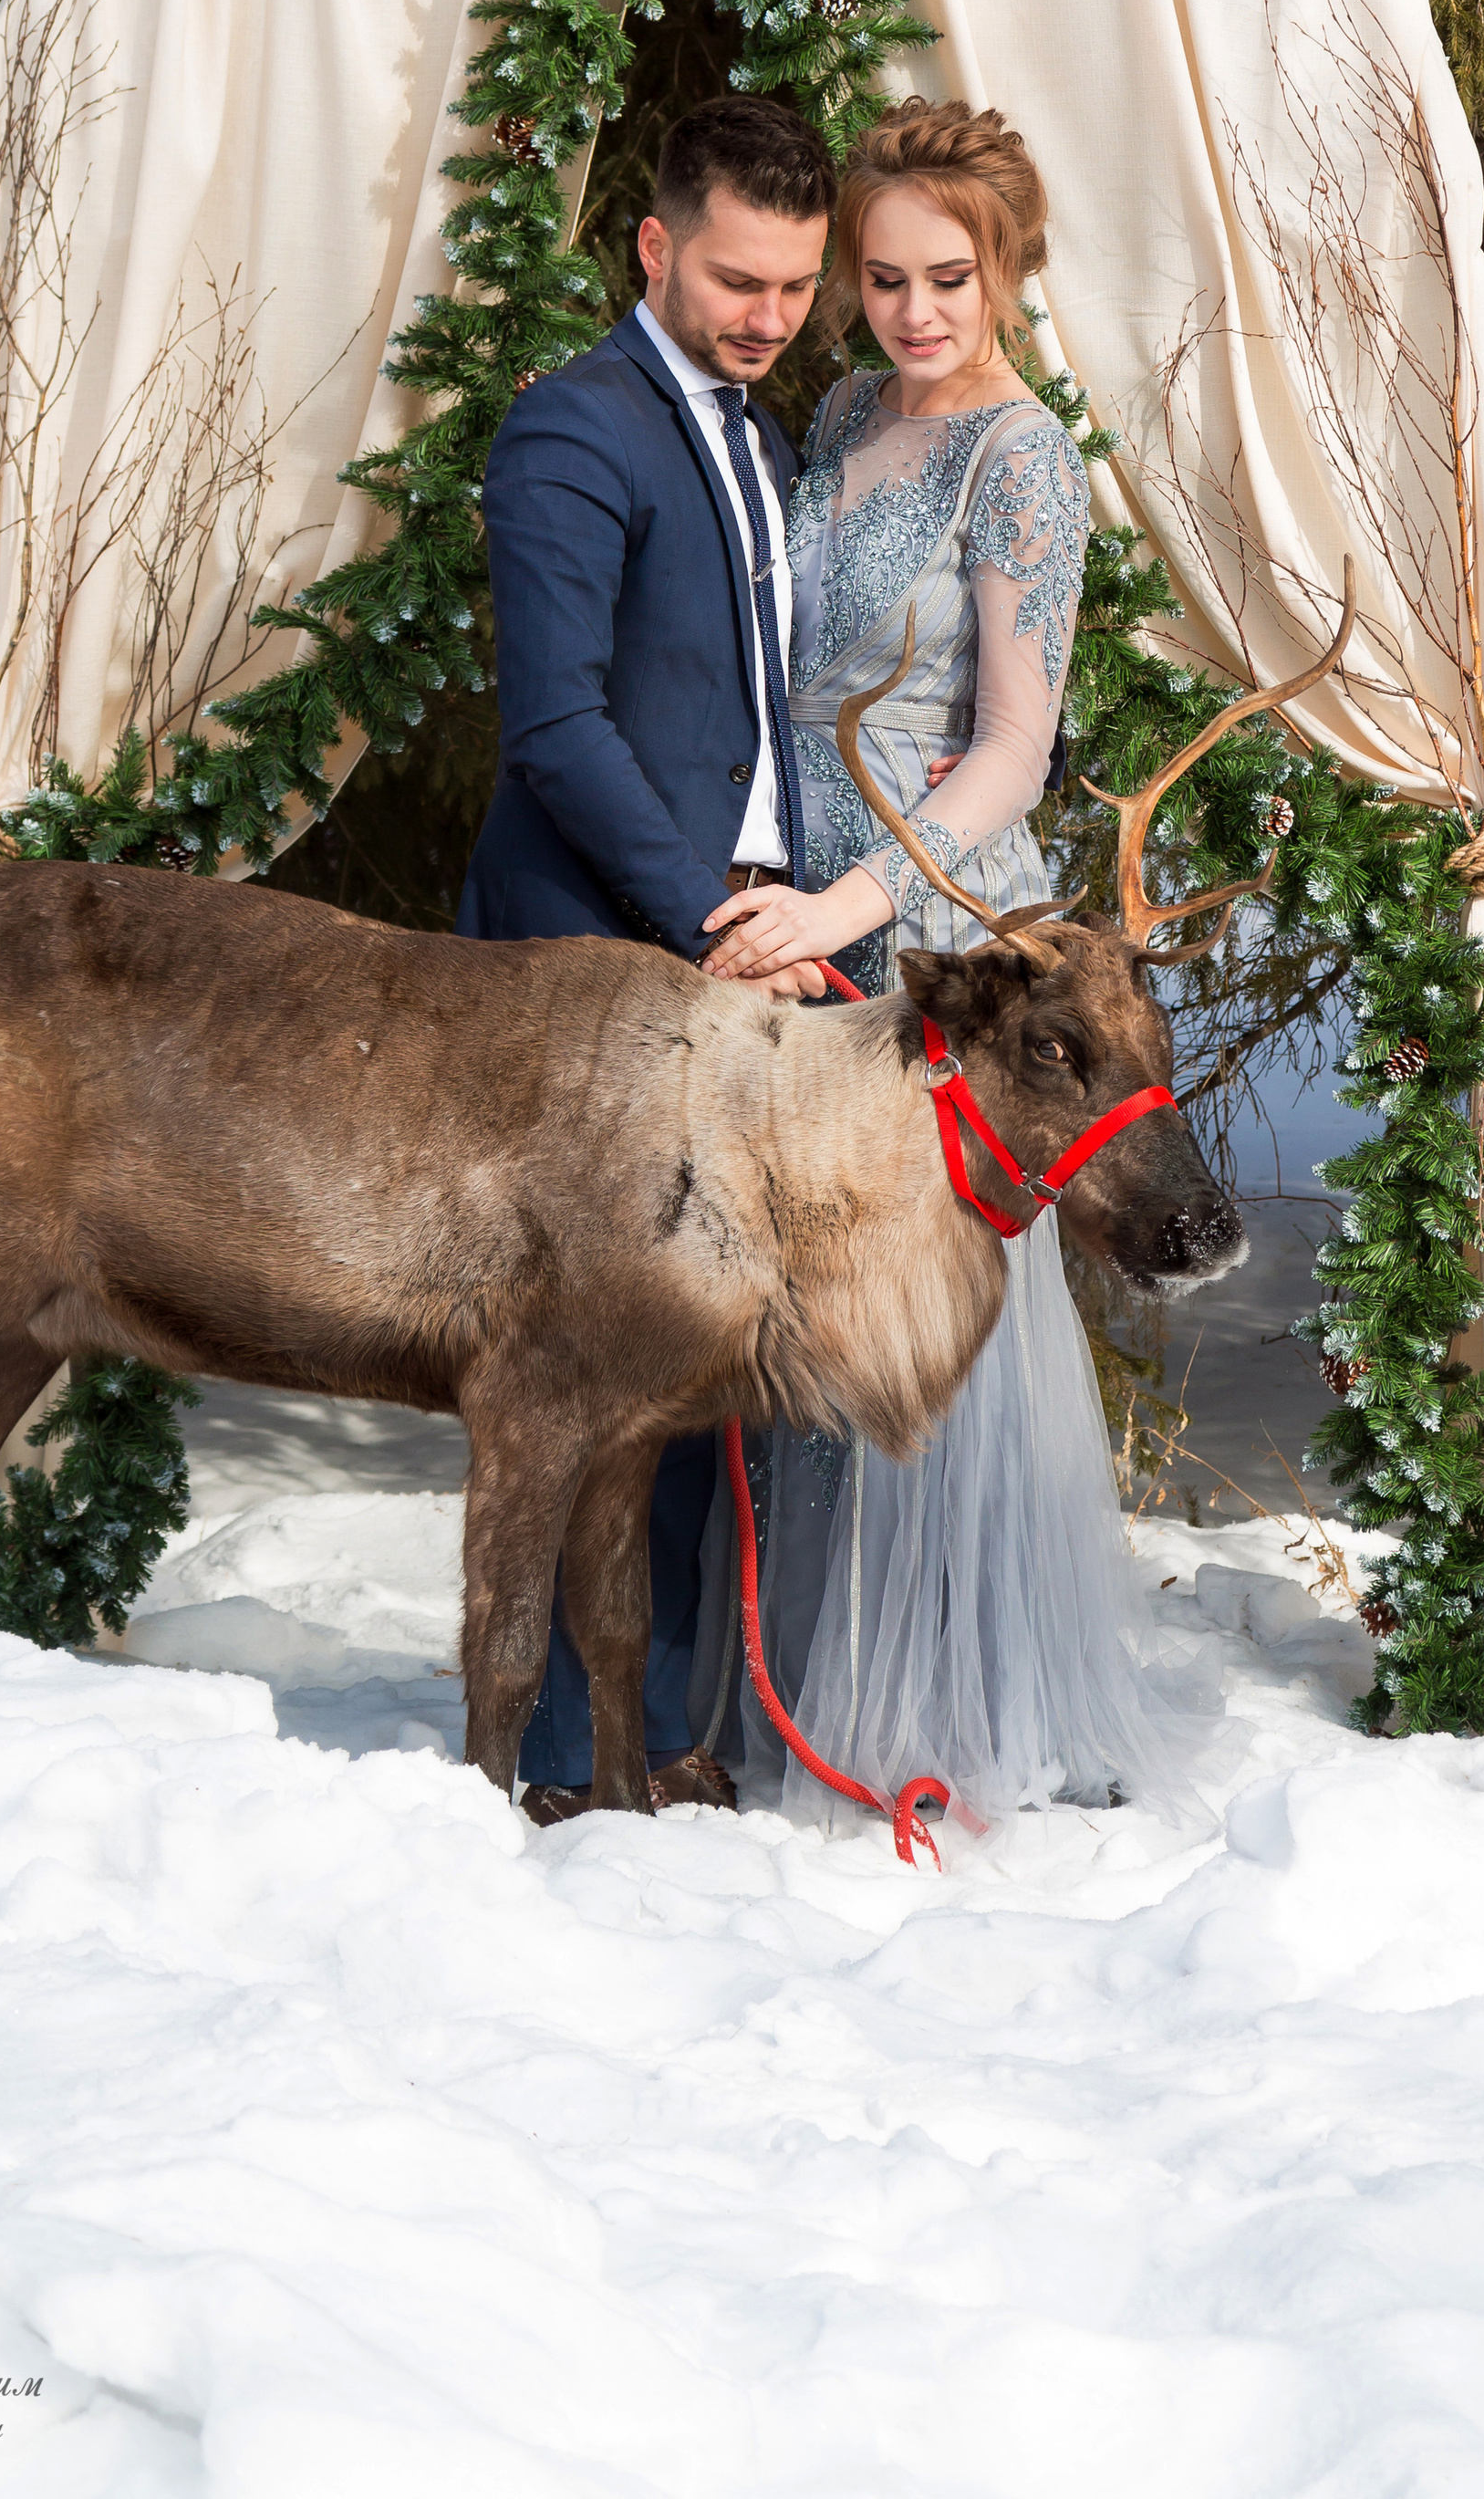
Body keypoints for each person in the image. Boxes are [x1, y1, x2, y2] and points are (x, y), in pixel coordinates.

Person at [695, 98, 1183, 1818]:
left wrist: (856, 911)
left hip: (948, 937)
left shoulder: (1019, 460)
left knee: (928, 1329)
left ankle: (948, 1706)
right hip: (808, 918)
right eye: (887, 279)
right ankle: (795, 1686)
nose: (914, 313)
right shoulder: (839, 413)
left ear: (1009, 271)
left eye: (949, 279)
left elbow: (1014, 751)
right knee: (806, 1299)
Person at [459, 92, 837, 1820]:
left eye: (794, 287)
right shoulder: (574, 431)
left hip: (733, 960)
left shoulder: (759, 443)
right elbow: (557, 726)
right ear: (655, 246)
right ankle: (553, 1769)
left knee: (700, 1379)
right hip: (596, 962)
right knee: (589, 1387)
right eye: (738, 280)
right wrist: (710, 918)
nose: (767, 317)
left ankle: (665, 1742)